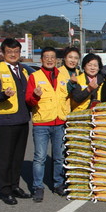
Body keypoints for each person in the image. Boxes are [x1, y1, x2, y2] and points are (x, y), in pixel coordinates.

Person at [0, 38, 32, 205]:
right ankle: (4, 190)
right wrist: (3, 94)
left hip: (22, 118)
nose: (13, 54)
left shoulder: (23, 70)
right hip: (7, 120)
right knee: (6, 156)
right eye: (9, 52)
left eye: (16, 52)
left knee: (18, 157)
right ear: (3, 53)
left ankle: (15, 186)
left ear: (20, 53)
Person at [25, 47, 70, 202]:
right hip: (42, 123)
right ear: (41, 60)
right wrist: (35, 96)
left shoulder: (63, 76)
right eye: (46, 57)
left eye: (52, 57)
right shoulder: (34, 76)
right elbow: (29, 101)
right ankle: (38, 187)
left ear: (57, 60)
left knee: (59, 157)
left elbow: (68, 97)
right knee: (40, 157)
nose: (50, 59)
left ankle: (58, 184)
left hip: (60, 122)